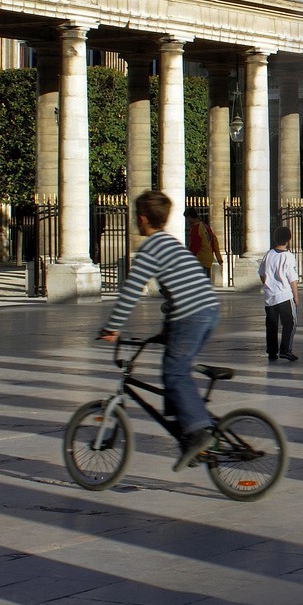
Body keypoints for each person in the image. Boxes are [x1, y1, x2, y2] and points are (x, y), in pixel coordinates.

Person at [100, 190, 221, 471]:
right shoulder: (171, 242)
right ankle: (188, 431)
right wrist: (165, 332)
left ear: (142, 219)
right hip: (207, 310)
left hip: (192, 314)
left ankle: (199, 433)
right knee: (173, 370)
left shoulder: (150, 248)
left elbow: (131, 290)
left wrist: (112, 327)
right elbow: (180, 289)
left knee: (175, 373)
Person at [260, 225, 299, 362]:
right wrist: (296, 297)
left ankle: (272, 352)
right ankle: (285, 350)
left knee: (271, 325)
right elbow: (292, 279)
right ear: (289, 239)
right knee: (290, 323)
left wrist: (268, 284)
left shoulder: (268, 254)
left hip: (270, 296)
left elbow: (262, 274)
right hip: (285, 295)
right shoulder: (288, 256)